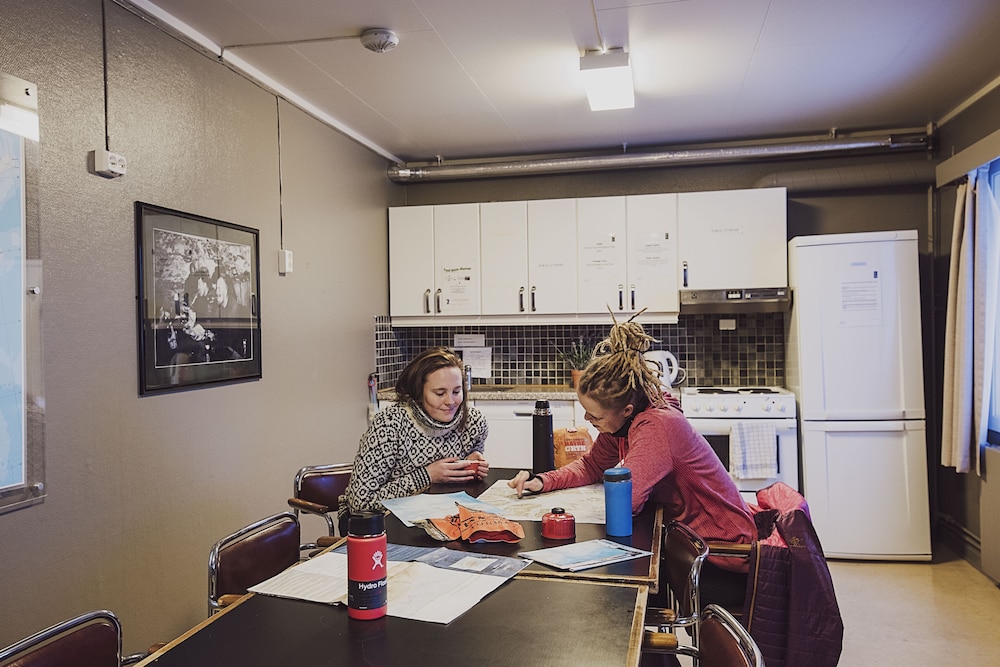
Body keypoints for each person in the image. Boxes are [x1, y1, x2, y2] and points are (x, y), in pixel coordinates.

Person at [507, 311, 756, 605]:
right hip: (688, 541)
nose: (587, 420)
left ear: (625, 410)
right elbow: (592, 466)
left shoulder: (657, 426)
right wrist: (541, 481)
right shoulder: (627, 420)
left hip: (720, 556)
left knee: (613, 596)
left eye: (595, 416)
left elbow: (628, 503)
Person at [340, 347, 490, 526]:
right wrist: (426, 476)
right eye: (440, 393)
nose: (450, 401)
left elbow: (460, 489)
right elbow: (361, 504)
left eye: (456, 391)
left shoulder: (474, 422)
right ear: (419, 392)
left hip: (438, 518)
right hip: (379, 525)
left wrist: (471, 467)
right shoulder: (389, 424)